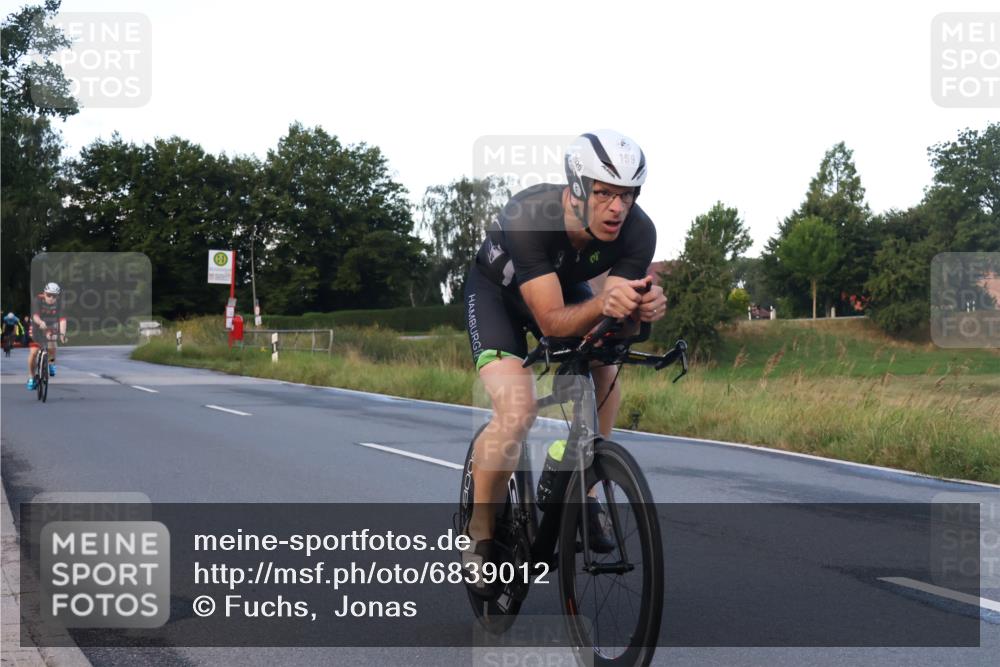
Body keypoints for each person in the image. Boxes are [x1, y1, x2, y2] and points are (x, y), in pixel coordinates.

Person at [461, 130, 668, 597]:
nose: (619, 207)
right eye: (606, 193)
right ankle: (479, 532)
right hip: (498, 296)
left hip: (560, 289)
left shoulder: (639, 232)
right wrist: (609, 303)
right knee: (518, 412)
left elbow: (617, 325)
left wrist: (644, 309)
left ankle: (587, 483)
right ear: (577, 188)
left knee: (605, 368)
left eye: (629, 194)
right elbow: (553, 323)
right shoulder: (531, 215)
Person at [27, 283, 66, 390]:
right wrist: (40, 322)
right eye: (49, 295)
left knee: (53, 341)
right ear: (44, 293)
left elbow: (62, 320)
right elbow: (35, 315)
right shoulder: (37, 300)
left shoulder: (59, 304)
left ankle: (51, 363)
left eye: (54, 296)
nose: (51, 298)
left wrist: (62, 334)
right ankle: (31, 377)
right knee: (34, 352)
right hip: (37, 324)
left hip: (51, 324)